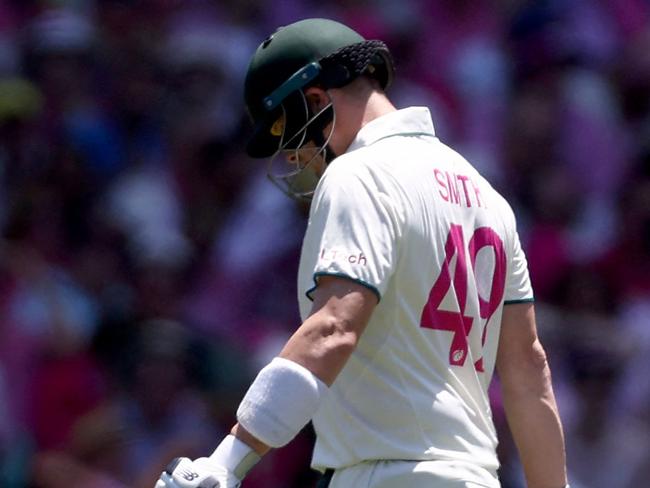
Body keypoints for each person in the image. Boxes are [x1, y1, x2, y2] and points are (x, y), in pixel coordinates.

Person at [155, 18, 568, 488]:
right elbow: (527, 368)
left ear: (314, 100)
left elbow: (333, 327)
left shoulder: (359, 173)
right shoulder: (486, 195)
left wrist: (225, 462)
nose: (293, 157)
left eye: (288, 134)